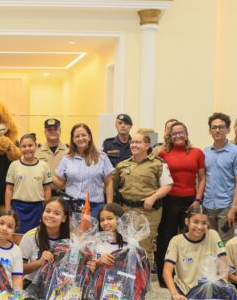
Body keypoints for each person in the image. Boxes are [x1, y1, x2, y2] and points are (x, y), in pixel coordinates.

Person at [112, 132, 173, 270]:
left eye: (138, 142)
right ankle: (126, 276)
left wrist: (154, 197)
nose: (134, 145)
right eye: (132, 142)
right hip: (126, 210)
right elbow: (112, 185)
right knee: (126, 244)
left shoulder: (158, 164)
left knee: (145, 247)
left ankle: (143, 279)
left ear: (147, 145)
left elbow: (168, 185)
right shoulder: (122, 165)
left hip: (148, 212)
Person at [155, 121, 205, 287]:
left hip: (190, 201)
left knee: (190, 238)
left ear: (186, 133)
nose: (178, 136)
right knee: (166, 239)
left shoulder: (197, 153)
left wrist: (197, 199)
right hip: (169, 201)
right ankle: (165, 278)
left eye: (181, 132)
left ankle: (189, 276)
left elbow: (202, 178)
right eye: (174, 133)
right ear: (170, 136)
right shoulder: (163, 154)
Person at [19, 197, 75, 300]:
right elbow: (19, 269)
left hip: (60, 289)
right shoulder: (30, 236)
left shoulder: (73, 240)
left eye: (56, 213)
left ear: (64, 218)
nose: (50, 215)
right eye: (47, 211)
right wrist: (39, 262)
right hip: (33, 287)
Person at [86, 203, 138, 300]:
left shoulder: (131, 245)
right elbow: (87, 274)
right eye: (102, 220)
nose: (105, 223)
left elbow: (137, 278)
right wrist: (97, 263)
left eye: (110, 218)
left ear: (120, 220)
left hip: (122, 299)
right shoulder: (94, 243)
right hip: (98, 299)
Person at [163, 204, 228, 300]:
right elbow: (167, 272)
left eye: (204, 223)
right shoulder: (176, 241)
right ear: (187, 221)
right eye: (196, 222)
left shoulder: (213, 235)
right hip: (184, 292)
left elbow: (223, 264)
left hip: (209, 290)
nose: (200, 227)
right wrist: (175, 294)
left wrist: (222, 288)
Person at [53, 123, 113, 219]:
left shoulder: (102, 157)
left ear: (89, 137)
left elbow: (109, 182)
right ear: (73, 140)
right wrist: (46, 173)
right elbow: (60, 184)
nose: (81, 138)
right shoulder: (66, 159)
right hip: (70, 205)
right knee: (72, 233)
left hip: (94, 206)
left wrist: (109, 206)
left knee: (92, 233)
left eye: (84, 135)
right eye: (77, 136)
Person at [203, 113, 237, 244]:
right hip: (207, 205)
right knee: (208, 243)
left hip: (226, 206)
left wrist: (234, 208)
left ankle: (225, 266)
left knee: (224, 244)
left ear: (228, 129)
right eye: (214, 127)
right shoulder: (205, 152)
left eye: (221, 127)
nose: (217, 130)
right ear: (209, 130)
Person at [5, 133, 52, 241]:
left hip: (37, 208)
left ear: (36, 146)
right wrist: (8, 209)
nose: (27, 149)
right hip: (18, 207)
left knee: (35, 238)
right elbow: (9, 189)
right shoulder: (14, 165)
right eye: (24, 146)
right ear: (20, 148)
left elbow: (47, 189)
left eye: (30, 145)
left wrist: (47, 209)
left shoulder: (44, 166)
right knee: (17, 238)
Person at [36, 118, 69, 196]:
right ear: (45, 132)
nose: (52, 131)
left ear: (60, 131)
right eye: (49, 130)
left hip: (63, 193)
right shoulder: (36, 151)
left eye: (55, 129)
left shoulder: (69, 151)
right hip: (42, 193)